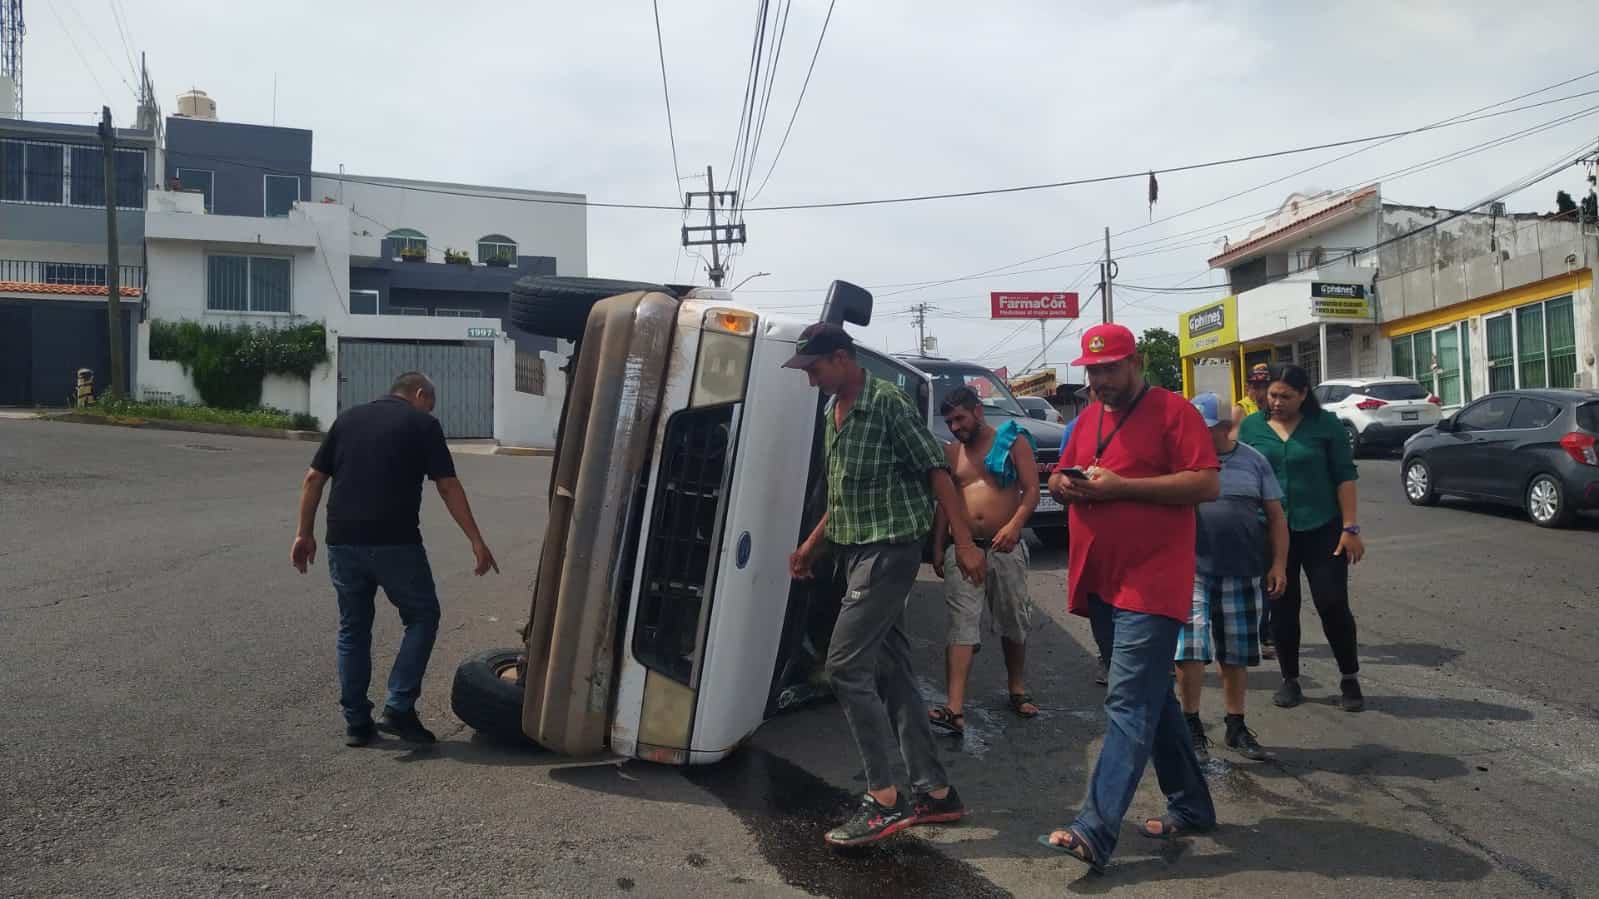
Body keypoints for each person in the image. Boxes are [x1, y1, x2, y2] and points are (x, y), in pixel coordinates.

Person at [783, 323, 987, 848]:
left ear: (842, 357)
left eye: (814, 368)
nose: (810, 380)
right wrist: (810, 546)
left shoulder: (887, 402)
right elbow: (842, 497)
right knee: (891, 671)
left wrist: (964, 543)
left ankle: (884, 799)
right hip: (854, 552)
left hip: (888, 551)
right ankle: (936, 791)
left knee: (846, 668)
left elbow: (937, 473)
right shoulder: (833, 413)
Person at [1038, 324, 1219, 873]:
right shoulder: (1085, 419)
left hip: (1153, 582)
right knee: (1152, 698)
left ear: (1135, 362)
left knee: (1127, 701)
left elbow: (1205, 483)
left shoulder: (1173, 412)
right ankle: (1192, 803)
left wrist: (1123, 487)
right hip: (1102, 580)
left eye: (1110, 367)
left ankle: (1094, 829)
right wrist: (1062, 486)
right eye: (1093, 370)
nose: (1100, 379)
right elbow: (1058, 477)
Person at [291, 372, 499, 747]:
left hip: (343, 541)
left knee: (353, 629)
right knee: (422, 616)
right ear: (419, 394)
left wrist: (304, 533)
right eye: (429, 403)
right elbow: (447, 485)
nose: (429, 410)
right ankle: (399, 706)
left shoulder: (348, 418)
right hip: (395, 542)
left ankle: (357, 723)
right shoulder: (423, 424)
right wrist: (476, 540)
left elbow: (313, 479)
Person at [1238, 363, 1366, 712]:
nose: (1276, 402)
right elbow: (1241, 474)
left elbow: (1345, 476)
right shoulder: (1252, 427)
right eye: (1272, 395)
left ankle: (1349, 677)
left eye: (1286, 396)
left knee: (1332, 603)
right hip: (1269, 531)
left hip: (1322, 528)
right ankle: (1289, 679)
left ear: (1304, 394)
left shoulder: (1325, 426)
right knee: (1281, 606)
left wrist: (1350, 528)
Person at [1176, 393, 1288, 764]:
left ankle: (1236, 725)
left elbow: (1276, 517)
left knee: (1236, 653)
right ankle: (1190, 725)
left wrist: (1279, 565)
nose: (1197, 435)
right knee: (1190, 649)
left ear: (1225, 427)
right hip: (1191, 571)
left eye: (1205, 428)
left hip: (1243, 569)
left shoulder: (1254, 461)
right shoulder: (1183, 461)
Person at [927, 386, 1040, 737]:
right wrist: (938, 546)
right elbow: (946, 502)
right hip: (964, 549)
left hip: (1005, 547)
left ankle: (1017, 688)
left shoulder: (1012, 442)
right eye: (949, 422)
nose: (955, 427)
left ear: (977, 411)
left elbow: (1031, 490)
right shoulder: (951, 452)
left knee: (1013, 619)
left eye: (960, 418)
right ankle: (954, 708)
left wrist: (1014, 526)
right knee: (961, 623)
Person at [1232, 362, 1277, 660]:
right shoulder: (1242, 412)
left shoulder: (1280, 411)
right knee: (1258, 576)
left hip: (1277, 503)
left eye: (1265, 386)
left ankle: (1271, 629)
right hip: (1254, 504)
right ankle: (1261, 632)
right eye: (1256, 386)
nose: (1260, 392)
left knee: (1275, 572)